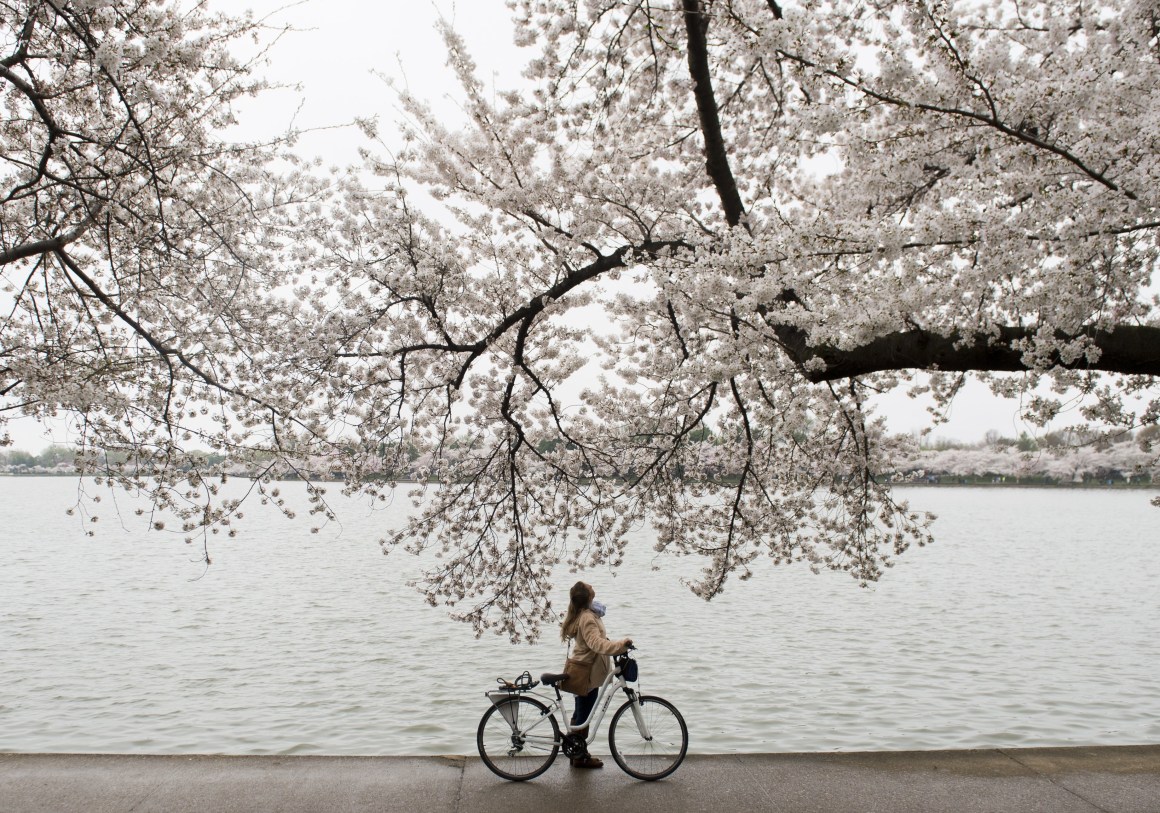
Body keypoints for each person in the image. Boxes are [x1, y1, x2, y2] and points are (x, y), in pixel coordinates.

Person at [559, 580, 632, 769]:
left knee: (581, 714)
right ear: (587, 596)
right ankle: (579, 756)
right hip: (586, 673)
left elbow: (596, 640)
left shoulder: (589, 613)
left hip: (586, 670)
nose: (592, 586)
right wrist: (620, 645)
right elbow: (596, 644)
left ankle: (575, 751)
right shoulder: (587, 618)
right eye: (589, 586)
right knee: (584, 717)